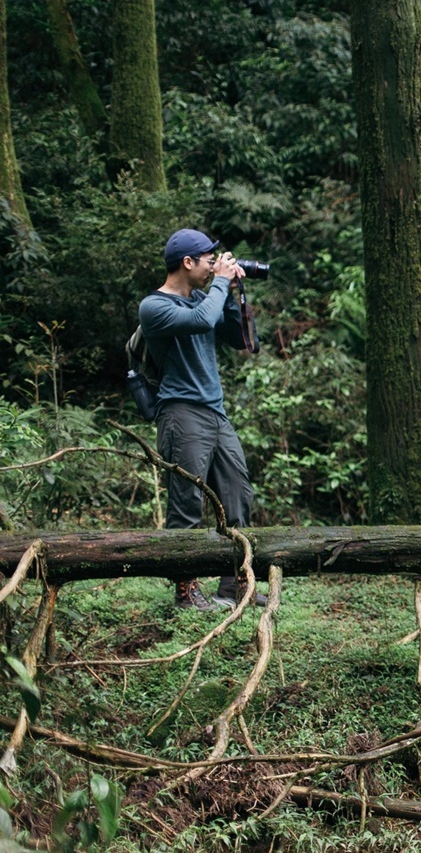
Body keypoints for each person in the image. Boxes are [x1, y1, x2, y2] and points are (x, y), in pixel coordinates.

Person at [139, 229, 264, 612]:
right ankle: (186, 592)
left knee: (237, 498)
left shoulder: (204, 297)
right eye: (208, 259)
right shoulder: (154, 306)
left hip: (215, 412)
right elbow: (198, 320)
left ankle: (235, 585)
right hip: (181, 412)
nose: (214, 264)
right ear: (187, 262)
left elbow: (234, 336)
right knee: (187, 504)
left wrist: (231, 291)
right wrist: (221, 283)